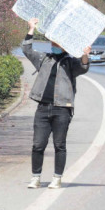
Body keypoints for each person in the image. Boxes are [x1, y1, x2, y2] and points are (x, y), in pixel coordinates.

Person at [21, 17, 91, 189]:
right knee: (38, 144)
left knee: (59, 145)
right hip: (43, 108)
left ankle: (57, 178)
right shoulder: (44, 59)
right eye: (53, 41)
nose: (54, 44)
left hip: (62, 109)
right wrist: (31, 29)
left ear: (65, 45)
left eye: (58, 43)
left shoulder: (70, 62)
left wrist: (85, 55)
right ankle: (35, 177)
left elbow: (83, 67)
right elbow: (27, 49)